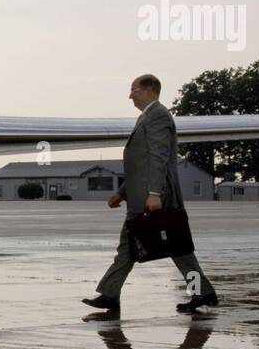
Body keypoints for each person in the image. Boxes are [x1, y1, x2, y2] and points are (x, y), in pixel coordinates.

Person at [82, 74, 217, 315]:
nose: (130, 95)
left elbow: (159, 157)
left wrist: (154, 193)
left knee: (178, 249)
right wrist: (122, 193)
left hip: (156, 199)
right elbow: (140, 166)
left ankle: (202, 292)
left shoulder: (158, 116)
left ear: (148, 90)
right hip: (140, 198)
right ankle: (110, 295)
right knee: (128, 248)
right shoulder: (146, 117)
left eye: (133, 90)